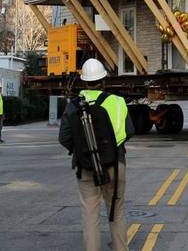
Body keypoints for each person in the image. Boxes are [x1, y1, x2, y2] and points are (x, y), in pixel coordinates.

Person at [59, 58, 134, 251]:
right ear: (103, 80)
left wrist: (83, 152)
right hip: (115, 165)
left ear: (84, 82)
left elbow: (64, 138)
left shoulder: (73, 106)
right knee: (116, 213)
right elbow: (129, 131)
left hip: (85, 166)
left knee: (90, 216)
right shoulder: (117, 102)